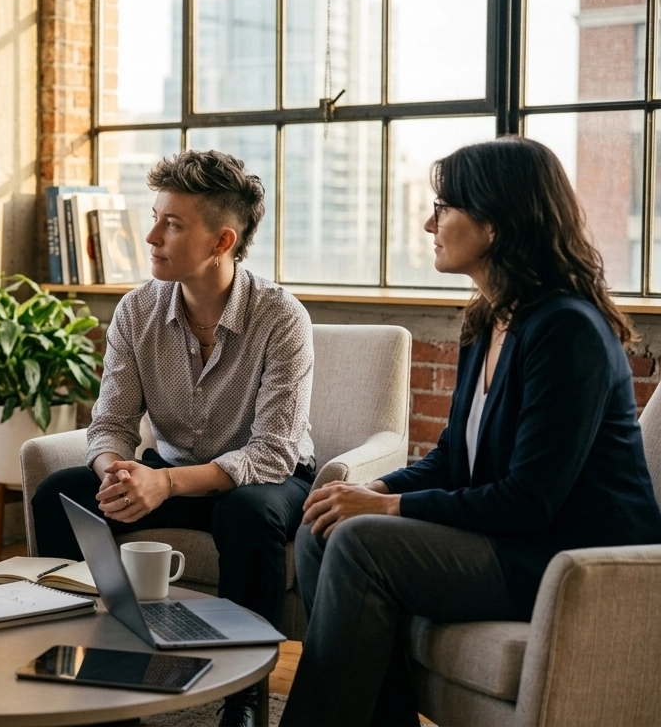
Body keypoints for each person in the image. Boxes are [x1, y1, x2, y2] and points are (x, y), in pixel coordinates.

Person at [280, 136, 661, 727]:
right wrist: (373, 494)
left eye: (444, 206)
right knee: (323, 523)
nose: (428, 221)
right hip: (514, 538)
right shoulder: (489, 319)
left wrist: (390, 509)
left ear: (494, 223)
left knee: (359, 541)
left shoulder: (568, 330)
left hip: (570, 557)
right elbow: (455, 457)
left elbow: (530, 500)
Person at [31, 149, 315, 727]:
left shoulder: (281, 318)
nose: (152, 234)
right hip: (170, 473)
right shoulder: (137, 310)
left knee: (249, 513)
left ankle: (244, 698)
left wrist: (162, 482)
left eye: (173, 223)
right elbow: (110, 424)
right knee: (60, 494)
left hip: (267, 483)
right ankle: (88, 679)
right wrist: (118, 471)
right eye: (156, 215)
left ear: (222, 241)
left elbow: (273, 450)